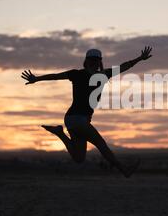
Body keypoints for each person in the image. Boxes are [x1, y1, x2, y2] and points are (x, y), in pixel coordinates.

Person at [21, 46, 153, 177]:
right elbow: (55, 76)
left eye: (96, 60)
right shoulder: (81, 74)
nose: (94, 63)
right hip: (78, 119)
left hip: (74, 119)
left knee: (79, 158)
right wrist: (36, 79)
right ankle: (124, 169)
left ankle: (60, 134)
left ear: (98, 62)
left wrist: (140, 58)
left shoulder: (101, 74)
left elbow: (124, 66)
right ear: (88, 61)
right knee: (101, 144)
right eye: (92, 60)